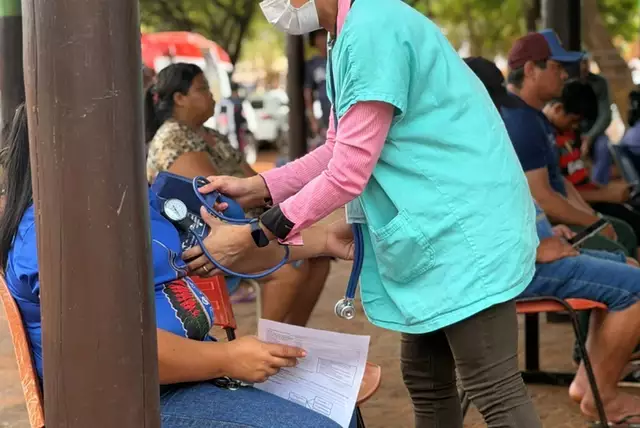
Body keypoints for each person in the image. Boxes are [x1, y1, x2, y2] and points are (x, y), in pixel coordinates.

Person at [194, 0, 543, 426]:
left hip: (463, 233)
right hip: (440, 231)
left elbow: (347, 173)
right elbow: (337, 148)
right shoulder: (347, 32)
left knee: (492, 386)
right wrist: (259, 187)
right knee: (426, 378)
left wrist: (257, 234)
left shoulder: (370, 29)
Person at [0, 103, 357, 428]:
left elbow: (223, 250)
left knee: (344, 409)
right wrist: (226, 357)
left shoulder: (127, 202)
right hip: (128, 399)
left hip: (188, 373)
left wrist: (323, 240)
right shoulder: (49, 238)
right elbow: (114, 351)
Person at [468, 57, 640, 425]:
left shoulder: (477, 138)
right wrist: (534, 246)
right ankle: (602, 396)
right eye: (492, 102)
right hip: (510, 268)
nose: (499, 112)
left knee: (625, 265)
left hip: (520, 256)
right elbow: (470, 221)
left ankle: (590, 384)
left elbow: (521, 201)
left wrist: (544, 231)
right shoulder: (467, 146)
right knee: (636, 286)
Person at [145, 63, 330, 326]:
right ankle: (267, 345)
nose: (211, 95)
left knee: (319, 257)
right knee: (288, 269)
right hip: (208, 238)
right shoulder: (173, 138)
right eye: (202, 89)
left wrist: (271, 198)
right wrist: (263, 205)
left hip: (245, 224)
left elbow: (255, 182)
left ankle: (290, 336)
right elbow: (213, 201)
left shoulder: (211, 136)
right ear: (179, 98)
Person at [502, 30, 638, 258]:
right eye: (557, 67)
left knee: (624, 232)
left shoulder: (534, 117)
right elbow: (542, 198)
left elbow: (560, 181)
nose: (565, 75)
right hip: (544, 231)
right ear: (531, 70)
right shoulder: (519, 121)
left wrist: (593, 218)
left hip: (559, 219)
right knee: (620, 250)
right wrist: (592, 222)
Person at [543, 80, 640, 236]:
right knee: (629, 230)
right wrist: (606, 195)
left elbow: (581, 174)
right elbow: (558, 192)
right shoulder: (548, 141)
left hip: (591, 201)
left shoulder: (569, 134)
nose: (575, 127)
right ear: (558, 109)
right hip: (578, 208)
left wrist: (606, 189)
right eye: (574, 121)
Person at [579, 54, 614, 185]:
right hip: (572, 131)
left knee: (604, 146)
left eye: (586, 62)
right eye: (581, 63)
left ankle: (598, 185)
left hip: (594, 131)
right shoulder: (565, 82)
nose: (584, 66)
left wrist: (589, 137)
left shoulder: (599, 83)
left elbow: (606, 115)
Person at [304, 29, 331, 139]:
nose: (322, 40)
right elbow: (308, 93)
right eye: (318, 36)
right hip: (326, 117)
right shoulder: (312, 64)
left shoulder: (339, 58)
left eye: (324, 35)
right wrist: (312, 119)